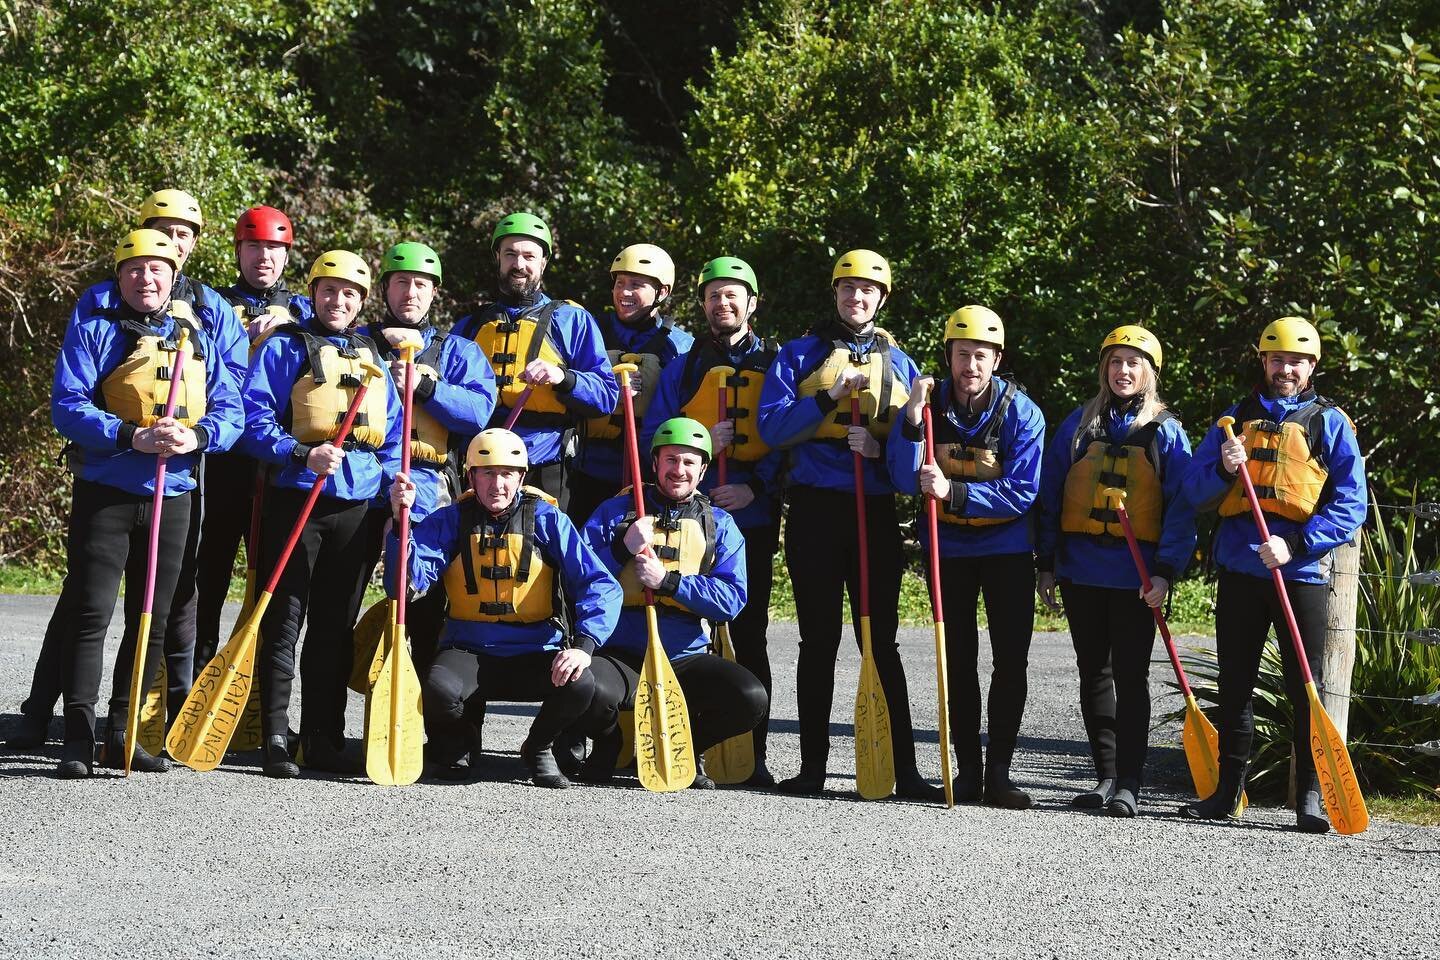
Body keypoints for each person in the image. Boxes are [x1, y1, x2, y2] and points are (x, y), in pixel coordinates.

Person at [8, 190, 246, 748]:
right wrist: (131, 434)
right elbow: (72, 399)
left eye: (182, 236)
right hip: (111, 477)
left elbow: (232, 396)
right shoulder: (98, 307)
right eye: (159, 237)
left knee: (160, 608)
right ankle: (60, 719)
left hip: (181, 478)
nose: (165, 254)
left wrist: (199, 435)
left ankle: (132, 726)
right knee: (87, 606)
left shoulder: (207, 314)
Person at [757, 249, 941, 800]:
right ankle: (812, 766)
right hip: (815, 508)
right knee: (818, 640)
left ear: (881, 299)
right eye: (847, 289)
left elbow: (912, 462)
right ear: (834, 294)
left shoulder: (902, 364)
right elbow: (772, 430)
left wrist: (882, 446)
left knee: (879, 641)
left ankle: (903, 770)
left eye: (867, 291)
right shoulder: (798, 355)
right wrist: (829, 400)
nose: (855, 298)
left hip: (874, 511)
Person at [1180, 317, 1366, 834]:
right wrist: (1221, 465)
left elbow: (1352, 503)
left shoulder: (1329, 423)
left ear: (1312, 367)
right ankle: (1227, 792)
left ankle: (1308, 796)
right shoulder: (1232, 421)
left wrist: (1297, 544)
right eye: (1278, 359)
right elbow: (1193, 493)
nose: (1287, 368)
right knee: (1235, 685)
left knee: (1304, 686)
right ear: (1262, 361)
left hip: (1300, 573)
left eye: (1298, 361)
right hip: (1241, 569)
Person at [239, 250, 402, 778]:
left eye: (350, 294)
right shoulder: (285, 348)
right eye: (329, 291)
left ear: (362, 302)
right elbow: (251, 416)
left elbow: (394, 435)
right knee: (285, 620)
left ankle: (324, 737)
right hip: (297, 498)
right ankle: (275, 737)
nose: (338, 301)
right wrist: (298, 452)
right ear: (312, 294)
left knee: (335, 626)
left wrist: (388, 480)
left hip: (355, 507)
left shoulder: (372, 358)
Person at [387, 429, 622, 788]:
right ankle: (461, 743)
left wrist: (583, 647)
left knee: (581, 683)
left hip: (536, 650)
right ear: (471, 477)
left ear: (521, 477)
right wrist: (399, 530)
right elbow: (406, 585)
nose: (498, 484)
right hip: (469, 649)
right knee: (437, 689)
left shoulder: (548, 520)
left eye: (507, 473)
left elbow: (599, 584)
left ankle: (538, 746)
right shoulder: (450, 520)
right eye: (488, 473)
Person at [1035, 325, 1196, 816]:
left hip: (1136, 578)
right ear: (1104, 368)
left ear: (1150, 372)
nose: (1124, 371)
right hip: (1082, 571)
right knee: (1094, 673)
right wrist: (1046, 564)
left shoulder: (1166, 431)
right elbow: (1051, 494)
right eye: (1116, 362)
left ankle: (1130, 781)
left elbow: (1181, 507)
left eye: (1134, 363)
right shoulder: (1079, 425)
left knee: (1130, 675)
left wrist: (1166, 571)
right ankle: (1105, 775)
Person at [888, 306, 1045, 808]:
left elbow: (1023, 492)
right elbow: (898, 474)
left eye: (980, 356)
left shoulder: (1024, 413)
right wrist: (912, 421)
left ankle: (999, 772)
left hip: (1008, 552)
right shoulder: (927, 406)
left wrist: (953, 492)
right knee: (956, 660)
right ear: (949, 358)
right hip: (949, 551)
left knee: (1010, 661)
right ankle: (968, 774)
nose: (970, 366)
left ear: (996, 359)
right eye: (961, 355)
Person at [640, 256, 783, 786]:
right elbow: (658, 430)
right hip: (690, 511)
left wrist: (755, 487)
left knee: (750, 632)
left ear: (751, 303)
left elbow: (786, 440)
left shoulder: (776, 360)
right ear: (701, 303)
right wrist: (702, 432)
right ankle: (684, 745)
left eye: (732, 295)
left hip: (751, 509)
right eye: (713, 296)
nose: (722, 304)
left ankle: (754, 753)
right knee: (685, 620)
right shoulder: (688, 362)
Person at [580, 417, 767, 788]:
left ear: (702, 471)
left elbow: (732, 599)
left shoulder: (721, 525)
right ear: (654, 463)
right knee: (585, 687)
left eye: (688, 462)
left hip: (684, 656)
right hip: (622, 653)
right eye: (670, 460)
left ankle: (686, 749)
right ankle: (609, 745)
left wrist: (669, 583)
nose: (678, 470)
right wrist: (621, 548)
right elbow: (578, 574)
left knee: (750, 698)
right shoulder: (615, 512)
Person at [355, 241, 496, 673]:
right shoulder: (356, 343)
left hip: (428, 485)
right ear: (385, 290)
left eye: (420, 284)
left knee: (426, 607)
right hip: (361, 478)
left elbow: (479, 412)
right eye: (401, 283)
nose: (410, 293)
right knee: (338, 603)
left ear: (434, 292)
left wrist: (427, 387)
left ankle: (432, 727)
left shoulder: (459, 352)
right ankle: (324, 733)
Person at [192, 204, 315, 674]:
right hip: (223, 459)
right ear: (239, 251)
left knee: (271, 580)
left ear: (287, 255)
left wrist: (286, 324)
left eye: (274, 249)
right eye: (254, 247)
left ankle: (260, 690)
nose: (264, 257)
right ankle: (194, 676)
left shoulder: (305, 309)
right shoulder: (211, 304)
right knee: (210, 573)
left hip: (280, 459)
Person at [451, 212, 618, 511]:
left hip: (546, 462)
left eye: (529, 256)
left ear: (543, 262)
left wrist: (563, 377)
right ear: (498, 259)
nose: (519, 264)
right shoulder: (469, 326)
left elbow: (606, 395)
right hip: (481, 465)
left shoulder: (571, 319)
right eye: (510, 254)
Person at [568, 243, 694, 526]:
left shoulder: (682, 347)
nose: (624, 293)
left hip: (648, 476)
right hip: (585, 471)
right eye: (620, 283)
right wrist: (604, 387)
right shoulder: (589, 332)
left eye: (636, 285)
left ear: (662, 292)